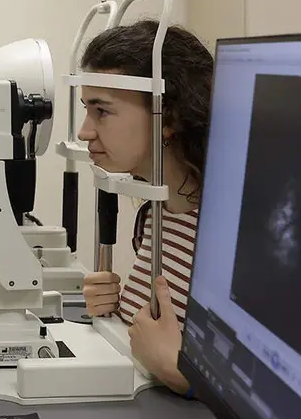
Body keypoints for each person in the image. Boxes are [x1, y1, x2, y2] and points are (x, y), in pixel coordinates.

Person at [78, 20, 213, 396]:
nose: (84, 131)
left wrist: (183, 375)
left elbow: (265, 385)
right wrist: (119, 309)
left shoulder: (229, 232)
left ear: (167, 117)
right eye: (87, 109)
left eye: (101, 111)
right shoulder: (158, 211)